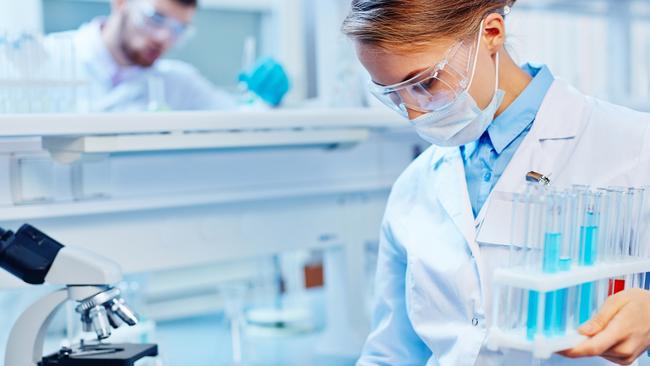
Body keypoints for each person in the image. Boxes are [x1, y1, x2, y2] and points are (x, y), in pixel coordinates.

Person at [341, 0, 650, 365]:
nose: (414, 112)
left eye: (425, 83)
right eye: (393, 93)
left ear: (491, 33)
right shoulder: (414, 184)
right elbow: (391, 353)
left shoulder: (635, 146)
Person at [69, 0, 289, 111]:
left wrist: (268, 101)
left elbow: (242, 119)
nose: (164, 37)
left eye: (179, 29)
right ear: (121, 2)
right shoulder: (47, 58)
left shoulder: (179, 83)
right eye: (156, 17)